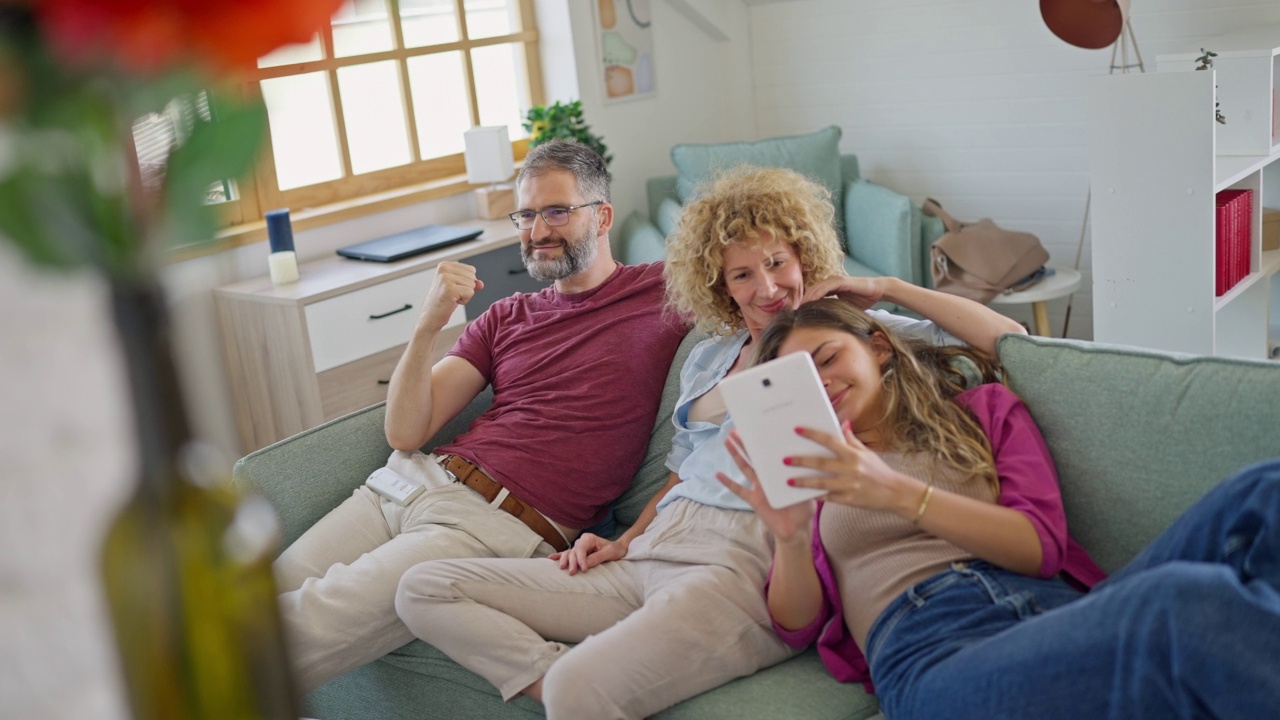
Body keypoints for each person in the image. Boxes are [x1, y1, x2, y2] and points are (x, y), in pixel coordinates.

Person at [393, 166, 1027, 719]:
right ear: (721, 288)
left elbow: (1009, 336)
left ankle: (591, 683)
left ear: (804, 257)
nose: (767, 288)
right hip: (652, 553)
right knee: (422, 588)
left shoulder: (854, 339)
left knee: (581, 693)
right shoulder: (708, 359)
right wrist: (623, 540)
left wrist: (886, 287)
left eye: (778, 262)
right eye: (742, 275)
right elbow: (681, 471)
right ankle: (571, 677)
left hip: (740, 563)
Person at [724, 298, 1280, 720]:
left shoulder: (982, 413)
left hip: (1061, 614)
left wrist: (897, 491)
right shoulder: (814, 476)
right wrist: (793, 539)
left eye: (828, 357)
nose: (822, 382)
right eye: (803, 379)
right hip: (932, 652)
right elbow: (797, 625)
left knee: (1263, 489)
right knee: (1184, 602)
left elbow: (1040, 549)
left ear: (878, 347)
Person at [274, 140, 690, 691]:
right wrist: (427, 324)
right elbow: (405, 431)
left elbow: (773, 279)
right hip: (403, 485)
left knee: (288, 633)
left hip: (496, 521)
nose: (538, 230)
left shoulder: (664, 291)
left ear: (602, 215)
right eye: (527, 214)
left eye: (557, 211)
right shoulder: (504, 317)